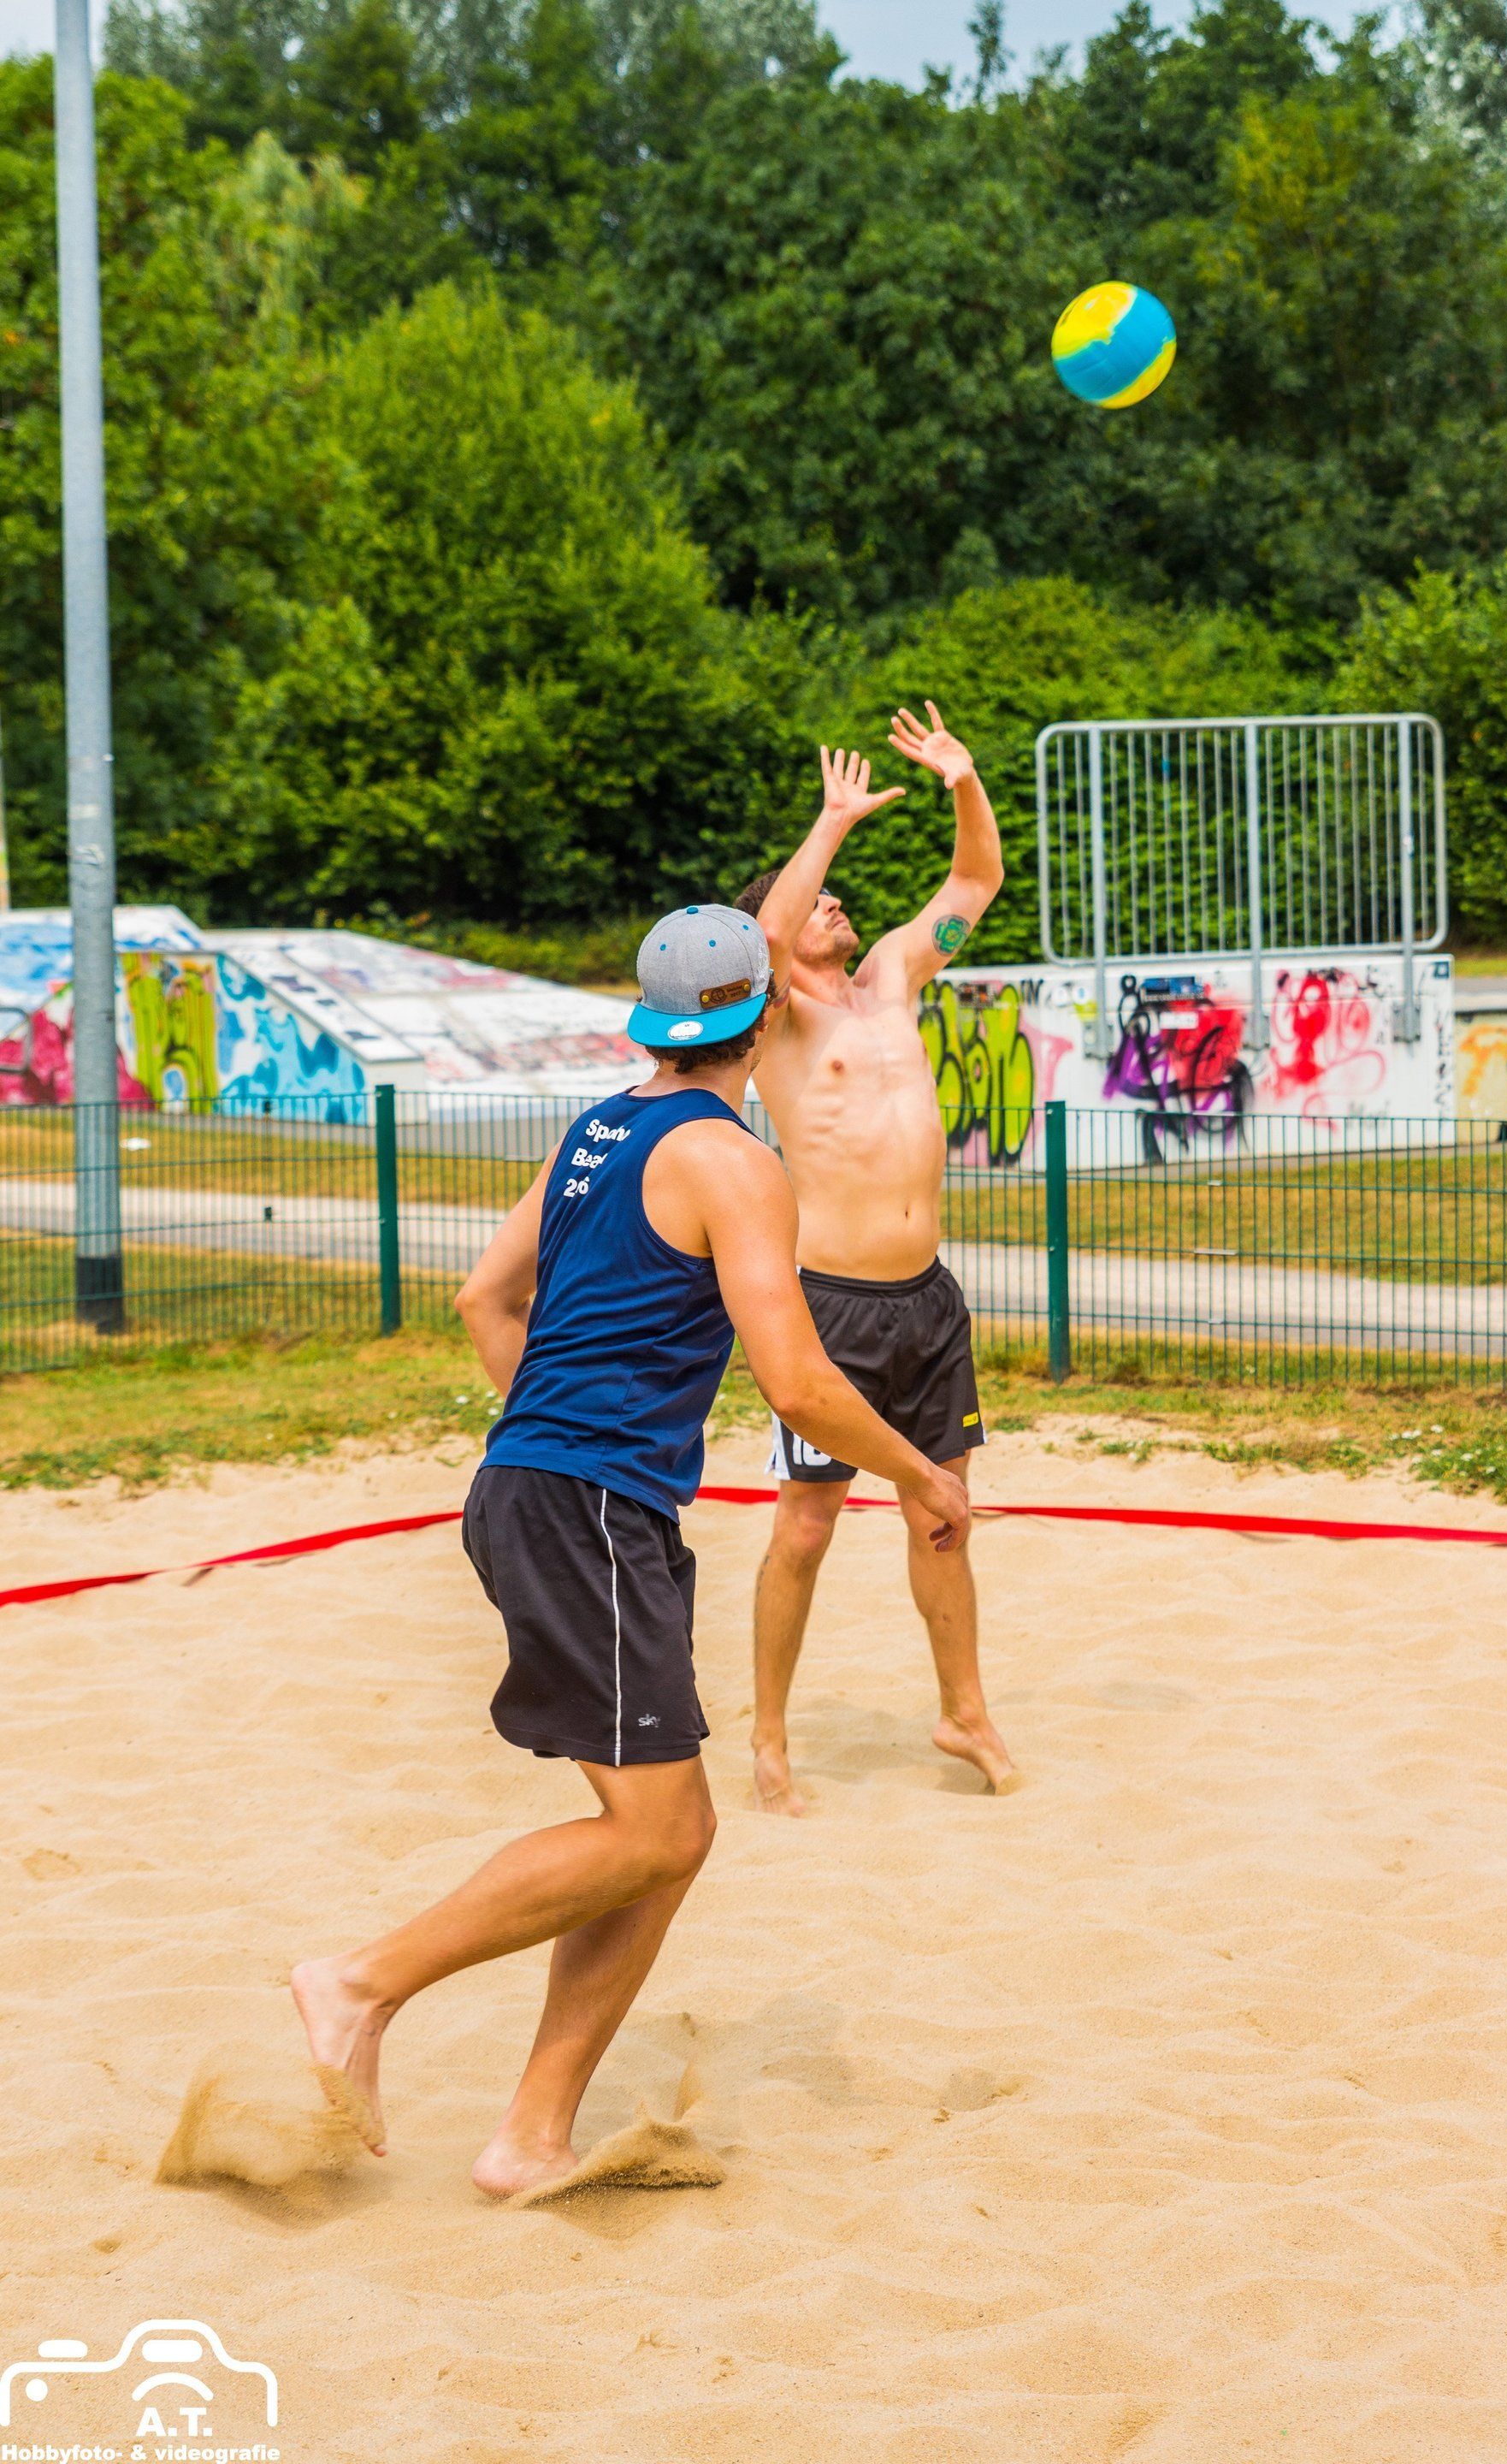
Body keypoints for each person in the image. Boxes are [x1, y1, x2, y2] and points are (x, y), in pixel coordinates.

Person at [290, 903, 968, 2200]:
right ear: (763, 1018)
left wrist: (547, 1439)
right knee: (654, 1830)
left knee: (673, 1832)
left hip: (553, 1490)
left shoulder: (596, 1130)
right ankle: (360, 1983)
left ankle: (532, 2135)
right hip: (583, 1504)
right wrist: (922, 1472)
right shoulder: (733, 1161)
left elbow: (484, 1298)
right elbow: (799, 1382)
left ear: (657, 1025)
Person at [736, 703, 1014, 1816]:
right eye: (818, 900)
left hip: (926, 1302)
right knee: (805, 1528)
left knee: (942, 1515)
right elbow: (765, 938)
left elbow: (976, 883)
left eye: (834, 895)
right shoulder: (773, 1021)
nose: (836, 904)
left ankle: (965, 1711)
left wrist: (963, 781)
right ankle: (768, 1734)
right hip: (832, 1307)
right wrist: (833, 822)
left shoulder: (895, 974)